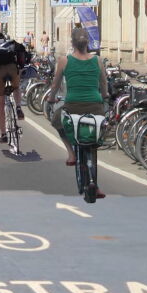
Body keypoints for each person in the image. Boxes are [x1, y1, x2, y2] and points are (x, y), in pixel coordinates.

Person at [45, 27, 108, 198]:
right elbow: (103, 84)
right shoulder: (97, 61)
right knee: (94, 135)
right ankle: (95, 182)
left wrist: (51, 98)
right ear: (88, 43)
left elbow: (55, 85)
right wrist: (104, 96)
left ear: (72, 43)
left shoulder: (64, 61)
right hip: (95, 106)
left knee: (57, 121)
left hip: (72, 106)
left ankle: (71, 153)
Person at [0, 31, 27, 144]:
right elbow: (22, 53)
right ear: (3, 38)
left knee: (0, 103)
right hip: (12, 68)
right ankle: (18, 107)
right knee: (16, 87)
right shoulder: (10, 44)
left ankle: (3, 135)